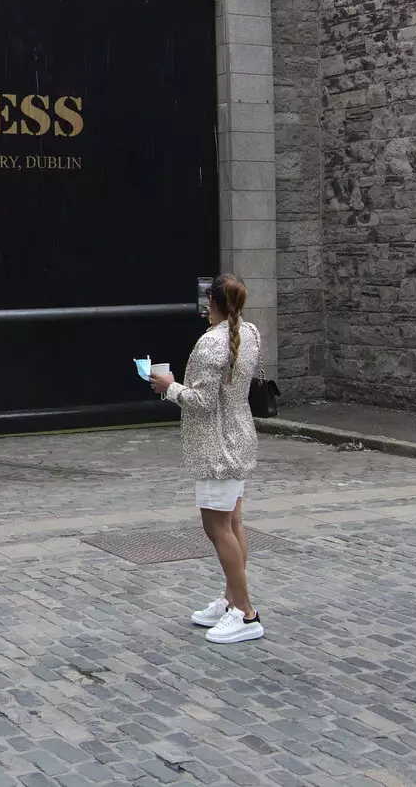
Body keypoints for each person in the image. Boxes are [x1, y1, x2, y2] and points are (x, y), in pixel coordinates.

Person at [148, 274, 263, 644]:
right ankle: (232, 599)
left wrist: (169, 387)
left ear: (210, 303)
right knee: (234, 523)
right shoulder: (252, 332)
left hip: (217, 447)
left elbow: (202, 402)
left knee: (218, 529)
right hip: (238, 439)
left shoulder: (211, 344)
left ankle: (245, 613)